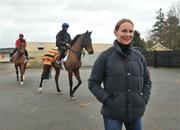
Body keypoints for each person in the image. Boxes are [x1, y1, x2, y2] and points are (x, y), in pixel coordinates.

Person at [88, 18, 152, 130]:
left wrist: (143, 99)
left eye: (131, 31)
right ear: (115, 32)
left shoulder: (139, 57)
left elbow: (147, 81)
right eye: (124, 31)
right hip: (112, 113)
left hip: (135, 112)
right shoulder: (105, 57)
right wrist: (108, 101)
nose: (128, 34)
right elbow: (93, 83)